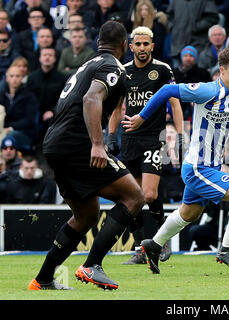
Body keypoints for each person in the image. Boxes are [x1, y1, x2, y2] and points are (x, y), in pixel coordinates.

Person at [122, 46, 229, 274]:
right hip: (197, 167)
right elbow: (165, 90)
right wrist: (141, 118)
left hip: (209, 166)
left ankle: (153, 245)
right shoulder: (206, 91)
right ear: (222, 71)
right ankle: (227, 249)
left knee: (188, 214)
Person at [28, 21, 145, 291]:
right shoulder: (112, 66)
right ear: (126, 46)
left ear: (97, 43)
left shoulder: (88, 65)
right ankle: (92, 265)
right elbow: (91, 99)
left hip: (54, 145)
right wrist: (97, 143)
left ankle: (43, 279)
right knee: (135, 196)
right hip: (77, 144)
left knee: (86, 213)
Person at [107, 26, 184, 265]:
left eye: (145, 44)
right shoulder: (123, 72)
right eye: (137, 44)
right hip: (129, 140)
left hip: (153, 138)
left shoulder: (162, 70)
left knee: (149, 194)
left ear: (152, 46)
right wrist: (111, 135)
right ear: (130, 47)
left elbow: (175, 103)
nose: (142, 48)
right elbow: (117, 107)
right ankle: (141, 249)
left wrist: (181, 136)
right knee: (131, 198)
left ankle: (161, 241)